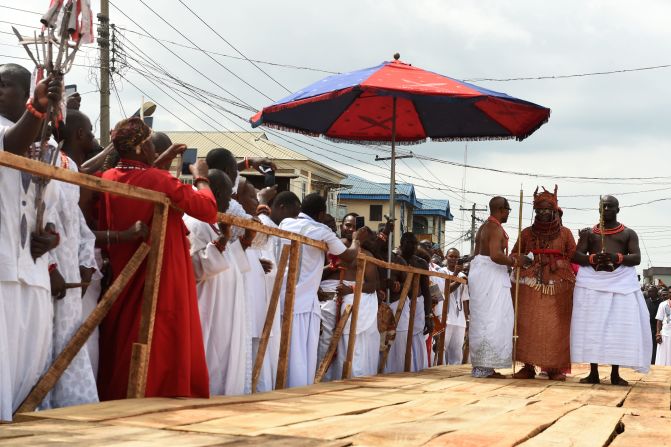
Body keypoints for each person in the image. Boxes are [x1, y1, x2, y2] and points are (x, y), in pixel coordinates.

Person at [97, 117, 217, 400]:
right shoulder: (159, 179)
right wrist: (201, 177)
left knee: (125, 335)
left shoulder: (108, 177)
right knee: (164, 331)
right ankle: (165, 393)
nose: (152, 147)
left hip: (122, 267)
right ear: (140, 147)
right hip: (162, 267)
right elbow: (208, 209)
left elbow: (139, 176)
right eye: (148, 142)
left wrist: (162, 161)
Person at [0, 63, 63, 421]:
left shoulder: (47, 149)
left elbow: (50, 209)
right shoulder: (11, 133)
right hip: (4, 269)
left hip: (33, 275)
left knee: (28, 373)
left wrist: (51, 237)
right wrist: (37, 109)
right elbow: (8, 146)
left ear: (24, 92)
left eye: (4, 84)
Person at [42, 110, 100, 408]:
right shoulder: (43, 155)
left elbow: (76, 222)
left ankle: (67, 406)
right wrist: (50, 266)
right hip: (45, 265)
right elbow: (43, 216)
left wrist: (86, 262)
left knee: (67, 339)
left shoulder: (69, 164)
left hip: (69, 268)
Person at [278, 193, 366, 387]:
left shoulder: (285, 223)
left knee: (281, 350)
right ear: (320, 214)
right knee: (300, 355)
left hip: (280, 298)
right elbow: (349, 256)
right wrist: (357, 240)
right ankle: (297, 390)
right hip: (303, 303)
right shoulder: (321, 230)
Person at [571, 195, 652, 385]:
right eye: (603, 206)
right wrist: (592, 259)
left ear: (618, 209)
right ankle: (593, 373)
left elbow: (637, 258)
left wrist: (617, 257)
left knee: (617, 329)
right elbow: (576, 255)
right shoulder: (590, 234)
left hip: (620, 284)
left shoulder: (628, 233)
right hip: (593, 284)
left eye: (610, 206)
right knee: (591, 328)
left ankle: (616, 373)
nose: (606, 209)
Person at [511, 186, 576, 381]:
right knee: (527, 324)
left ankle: (554, 367)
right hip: (530, 284)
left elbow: (574, 256)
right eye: (540, 209)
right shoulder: (526, 233)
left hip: (558, 285)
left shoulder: (565, 233)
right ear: (535, 211)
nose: (544, 213)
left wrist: (558, 263)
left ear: (555, 210)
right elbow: (514, 254)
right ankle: (528, 366)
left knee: (556, 327)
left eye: (548, 209)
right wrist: (524, 259)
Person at [318, 214, 380, 380]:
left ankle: (346, 379)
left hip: (350, 303)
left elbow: (372, 284)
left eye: (354, 227)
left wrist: (350, 289)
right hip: (326, 300)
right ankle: (320, 379)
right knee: (324, 342)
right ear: (340, 227)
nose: (350, 229)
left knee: (348, 345)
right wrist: (331, 268)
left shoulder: (366, 254)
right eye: (347, 225)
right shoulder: (327, 247)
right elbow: (314, 273)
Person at [469, 196, 517, 378]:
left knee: (483, 319)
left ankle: (482, 366)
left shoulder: (483, 227)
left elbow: (476, 255)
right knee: (494, 319)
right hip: (490, 275)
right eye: (508, 210)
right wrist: (514, 261)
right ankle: (485, 367)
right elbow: (496, 255)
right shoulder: (495, 228)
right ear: (501, 209)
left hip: (482, 275)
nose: (508, 214)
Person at [385, 233, 434, 372]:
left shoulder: (421, 263)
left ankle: (417, 369)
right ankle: (398, 369)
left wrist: (427, 316)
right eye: (409, 243)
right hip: (399, 304)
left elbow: (426, 290)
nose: (412, 247)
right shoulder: (393, 259)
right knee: (398, 340)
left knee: (416, 340)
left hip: (418, 306)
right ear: (402, 243)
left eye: (414, 244)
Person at [435, 248, 469, 365]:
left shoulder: (462, 275)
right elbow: (445, 290)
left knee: (456, 352)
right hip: (446, 318)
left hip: (459, 320)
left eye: (456, 257)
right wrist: (456, 276)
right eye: (451, 256)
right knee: (442, 349)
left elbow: (465, 299)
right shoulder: (441, 272)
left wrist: (466, 318)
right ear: (446, 257)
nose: (454, 259)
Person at [645, 286, 663, 363]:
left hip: (657, 328)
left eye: (652, 291)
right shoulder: (646, 301)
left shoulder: (661, 302)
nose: (650, 293)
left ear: (656, 292)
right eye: (649, 291)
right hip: (647, 328)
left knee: (655, 347)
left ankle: (654, 361)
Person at [655, 295, 671, 365]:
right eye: (670, 292)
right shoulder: (663, 304)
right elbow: (659, 320)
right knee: (662, 358)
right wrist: (658, 334)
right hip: (665, 334)